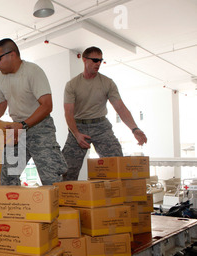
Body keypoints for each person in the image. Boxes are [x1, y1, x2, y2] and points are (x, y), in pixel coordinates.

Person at [0, 38, 67, 186]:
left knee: (51, 179)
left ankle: (57, 208)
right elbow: (0, 107)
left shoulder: (33, 71)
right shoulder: (0, 78)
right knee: (8, 178)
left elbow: (47, 105)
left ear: (12, 55)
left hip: (40, 128)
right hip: (16, 129)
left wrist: (23, 125)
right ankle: (14, 208)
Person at [62, 46, 148, 181]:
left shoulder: (107, 83)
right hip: (78, 128)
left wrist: (134, 129)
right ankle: (65, 198)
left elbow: (120, 107)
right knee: (66, 170)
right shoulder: (72, 85)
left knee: (117, 163)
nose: (98, 64)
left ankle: (119, 197)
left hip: (101, 126)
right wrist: (76, 134)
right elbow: (68, 113)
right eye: (95, 60)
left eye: (100, 61)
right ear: (84, 60)